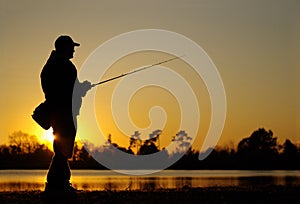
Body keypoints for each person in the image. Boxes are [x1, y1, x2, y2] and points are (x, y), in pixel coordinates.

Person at [41, 35, 91, 192]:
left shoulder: (51, 65)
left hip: (58, 111)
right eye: (72, 47)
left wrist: (81, 88)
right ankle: (56, 184)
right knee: (63, 148)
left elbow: (63, 88)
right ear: (65, 48)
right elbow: (70, 91)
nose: (74, 51)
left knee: (62, 148)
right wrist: (82, 89)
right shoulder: (65, 66)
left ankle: (59, 183)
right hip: (64, 112)